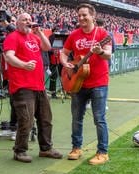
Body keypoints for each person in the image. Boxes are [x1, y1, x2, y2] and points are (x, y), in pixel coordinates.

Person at [3, 12, 63, 163]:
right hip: (22, 86)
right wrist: (23, 65)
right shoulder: (12, 37)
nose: (28, 22)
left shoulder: (34, 37)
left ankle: (46, 148)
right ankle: (20, 150)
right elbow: (9, 56)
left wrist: (40, 32)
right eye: (24, 19)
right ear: (17, 23)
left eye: (29, 19)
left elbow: (47, 47)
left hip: (38, 86)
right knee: (26, 120)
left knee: (45, 118)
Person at [60, 3, 112, 165]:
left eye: (85, 15)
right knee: (77, 118)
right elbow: (64, 52)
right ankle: (76, 148)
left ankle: (102, 152)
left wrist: (100, 52)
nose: (81, 18)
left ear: (93, 17)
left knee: (99, 118)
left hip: (98, 82)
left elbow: (108, 54)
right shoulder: (74, 34)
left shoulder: (103, 33)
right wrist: (65, 64)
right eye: (79, 15)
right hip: (78, 82)